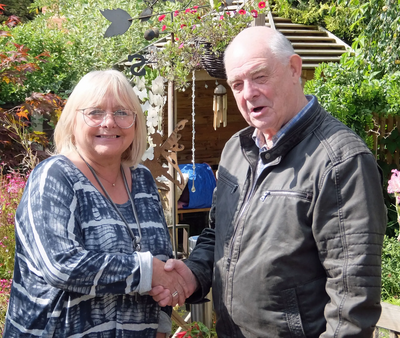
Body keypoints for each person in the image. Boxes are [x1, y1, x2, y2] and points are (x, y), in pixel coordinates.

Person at [150, 26, 387, 337]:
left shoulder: (340, 161)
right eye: (237, 84)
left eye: (259, 76)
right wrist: (193, 274)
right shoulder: (237, 148)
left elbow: (352, 302)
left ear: (294, 69)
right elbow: (216, 236)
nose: (248, 94)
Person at [4, 70, 191, 337]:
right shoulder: (55, 176)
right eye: (95, 112)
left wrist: (161, 326)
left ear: (136, 124)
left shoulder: (142, 181)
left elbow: (162, 261)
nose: (109, 122)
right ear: (73, 120)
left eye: (122, 113)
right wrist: (148, 272)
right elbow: (62, 266)